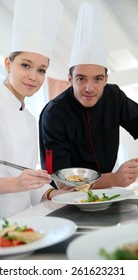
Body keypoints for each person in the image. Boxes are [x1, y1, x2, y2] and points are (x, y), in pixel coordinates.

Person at [0, 0, 63, 227]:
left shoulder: (29, 119)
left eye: (41, 70)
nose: (33, 76)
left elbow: (27, 183)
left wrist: (55, 195)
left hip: (21, 227)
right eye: (26, 65)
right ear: (8, 64)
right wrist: (16, 183)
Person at [39, 2, 138, 190]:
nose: (89, 88)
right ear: (70, 78)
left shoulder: (114, 96)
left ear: (106, 78)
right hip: (66, 201)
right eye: (81, 78)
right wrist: (115, 179)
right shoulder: (54, 114)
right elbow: (62, 183)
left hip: (109, 194)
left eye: (98, 79)